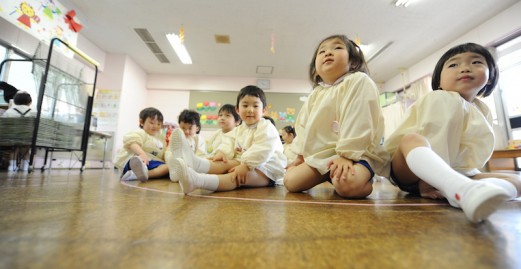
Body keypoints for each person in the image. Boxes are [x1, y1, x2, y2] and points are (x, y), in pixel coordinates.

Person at [384, 43, 520, 223]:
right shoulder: (441, 98)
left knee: (517, 181)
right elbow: (435, 135)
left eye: (476, 62)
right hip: (412, 172)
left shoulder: (481, 109)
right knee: (412, 139)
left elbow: (474, 148)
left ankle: (468, 191)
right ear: (439, 81)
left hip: (458, 172)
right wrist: (427, 183)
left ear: (489, 77)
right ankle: (459, 188)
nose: (464, 68)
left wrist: (471, 175)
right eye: (453, 65)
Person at [283, 34, 389, 199]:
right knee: (290, 181)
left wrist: (346, 155)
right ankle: (331, 175)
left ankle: (365, 178)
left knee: (348, 185)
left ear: (353, 62)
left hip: (358, 152)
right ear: (315, 68)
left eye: (337, 48)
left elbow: (360, 119)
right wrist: (300, 156)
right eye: (322, 51)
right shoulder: (316, 94)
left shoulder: (358, 81)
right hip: (323, 156)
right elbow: (304, 127)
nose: (328, 53)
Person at [169, 85, 286, 194]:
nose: (250, 109)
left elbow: (263, 149)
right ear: (238, 110)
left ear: (264, 110)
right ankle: (193, 162)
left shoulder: (266, 126)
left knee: (236, 177)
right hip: (245, 162)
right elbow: (228, 140)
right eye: (245, 105)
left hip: (267, 172)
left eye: (255, 106)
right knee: (223, 163)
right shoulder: (240, 129)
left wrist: (246, 165)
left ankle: (197, 181)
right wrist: (222, 152)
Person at [113, 107, 169, 182]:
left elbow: (163, 154)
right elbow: (132, 142)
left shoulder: (161, 139)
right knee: (166, 168)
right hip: (138, 161)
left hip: (153, 163)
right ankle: (139, 172)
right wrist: (141, 154)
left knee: (168, 168)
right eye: (152, 123)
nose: (155, 126)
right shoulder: (141, 133)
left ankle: (137, 175)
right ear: (142, 122)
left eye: (159, 124)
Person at [2, 91, 36, 172]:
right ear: (30, 102)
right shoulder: (34, 113)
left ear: (15, 101)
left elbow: (3, 125)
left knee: (13, 149)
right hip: (27, 137)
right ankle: (25, 168)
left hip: (11, 137)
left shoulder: (9, 111)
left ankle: (11, 166)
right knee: (26, 148)